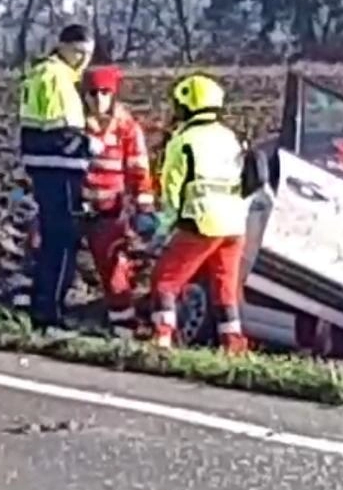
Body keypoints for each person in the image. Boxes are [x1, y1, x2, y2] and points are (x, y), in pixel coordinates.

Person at [147, 73, 251, 354]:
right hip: (234, 224)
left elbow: (172, 188)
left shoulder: (184, 140)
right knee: (224, 287)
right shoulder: (231, 138)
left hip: (202, 222)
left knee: (165, 280)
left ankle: (161, 339)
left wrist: (163, 229)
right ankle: (233, 344)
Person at [17, 23, 97, 331]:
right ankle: (50, 312)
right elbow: (57, 131)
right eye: (78, 52)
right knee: (62, 240)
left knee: (54, 239)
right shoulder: (55, 76)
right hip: (58, 167)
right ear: (62, 46)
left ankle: (44, 306)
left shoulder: (47, 73)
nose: (82, 60)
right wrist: (89, 144)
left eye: (87, 54)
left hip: (49, 166)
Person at [79, 64, 159, 339]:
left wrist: (144, 207)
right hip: (73, 206)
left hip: (108, 210)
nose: (98, 99)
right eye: (92, 93)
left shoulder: (127, 128)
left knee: (114, 270)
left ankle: (123, 328)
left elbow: (139, 170)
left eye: (104, 92)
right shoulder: (74, 124)